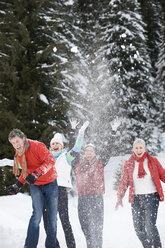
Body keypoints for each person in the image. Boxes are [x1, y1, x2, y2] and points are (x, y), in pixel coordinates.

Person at [7, 129, 58, 248]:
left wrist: (37, 173)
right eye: (13, 143)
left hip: (50, 183)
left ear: (23, 138)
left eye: (17, 141)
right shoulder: (19, 154)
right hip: (35, 186)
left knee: (52, 220)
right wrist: (18, 185)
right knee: (36, 215)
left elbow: (51, 161)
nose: (16, 145)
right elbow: (25, 172)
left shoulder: (37, 146)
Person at [43, 120, 89, 248]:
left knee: (65, 221)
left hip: (60, 191)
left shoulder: (67, 157)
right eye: (53, 144)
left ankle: (71, 246)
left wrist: (79, 132)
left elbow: (77, 148)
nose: (55, 145)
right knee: (47, 222)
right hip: (47, 191)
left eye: (57, 143)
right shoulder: (45, 158)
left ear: (61, 146)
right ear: (50, 146)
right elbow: (29, 163)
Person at [115, 138, 165, 248]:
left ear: (145, 148)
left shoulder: (152, 161)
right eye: (136, 148)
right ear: (133, 149)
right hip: (136, 199)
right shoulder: (129, 163)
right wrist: (120, 196)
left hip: (151, 198)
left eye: (140, 147)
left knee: (150, 226)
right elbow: (124, 181)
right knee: (139, 229)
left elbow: (163, 174)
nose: (138, 150)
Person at [75, 143, 105, 248]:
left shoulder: (100, 162)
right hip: (82, 198)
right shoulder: (78, 163)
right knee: (85, 226)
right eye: (87, 150)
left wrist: (113, 133)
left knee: (97, 226)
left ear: (95, 153)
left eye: (91, 151)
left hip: (96, 197)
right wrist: (73, 131)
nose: (88, 152)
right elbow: (74, 149)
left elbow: (108, 152)